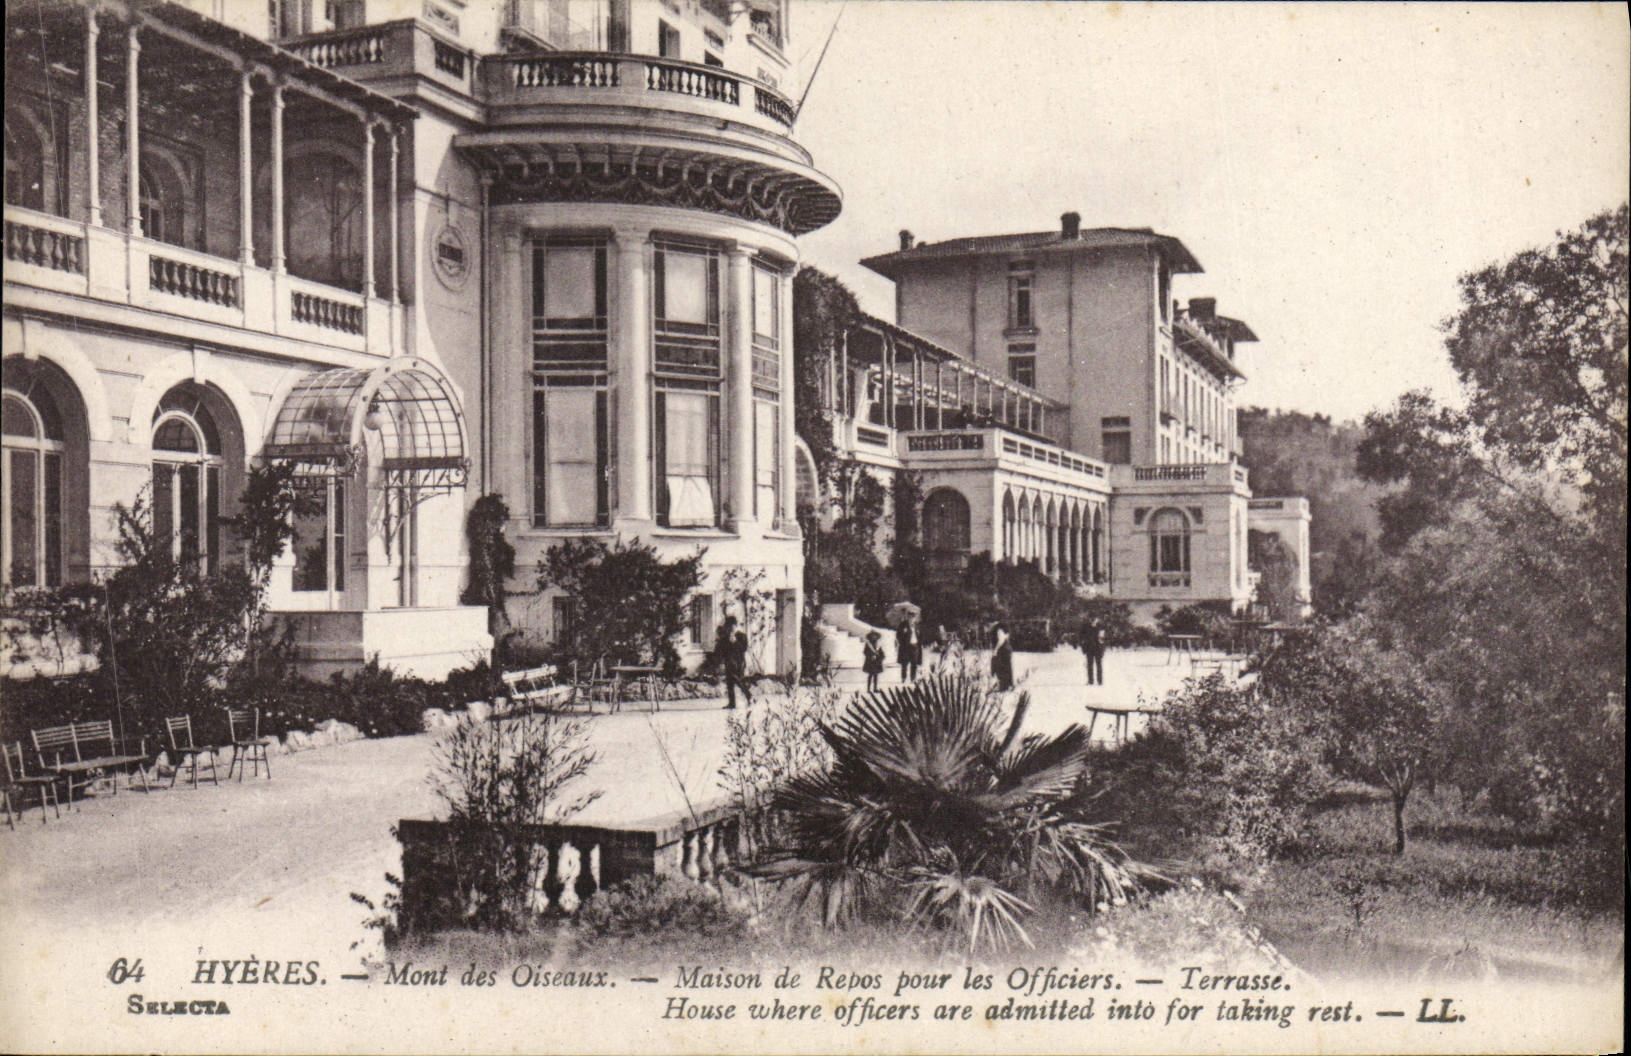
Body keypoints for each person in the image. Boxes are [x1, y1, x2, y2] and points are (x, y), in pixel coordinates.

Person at [895, 614, 922, 682]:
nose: (912, 619)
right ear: (908, 618)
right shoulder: (903, 625)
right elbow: (898, 635)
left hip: (915, 646)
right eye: (910, 618)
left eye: (913, 618)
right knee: (905, 664)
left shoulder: (917, 626)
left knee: (914, 663)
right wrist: (903, 635)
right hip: (906, 647)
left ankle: (912, 678)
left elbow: (920, 635)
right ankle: (903, 678)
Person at [990, 621, 1014, 691]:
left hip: (1003, 650)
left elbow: (1001, 640)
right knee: (1006, 667)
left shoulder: (998, 629)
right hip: (1006, 649)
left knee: (1001, 667)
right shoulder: (1003, 627)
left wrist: (995, 650)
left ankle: (1003, 686)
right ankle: (1006, 685)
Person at [1081, 617, 1105, 686]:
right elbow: (1083, 639)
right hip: (1089, 649)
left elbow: (1102, 640)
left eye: (1095, 620)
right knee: (1089, 665)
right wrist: (1084, 648)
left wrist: (1102, 649)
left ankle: (1100, 681)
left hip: (1098, 649)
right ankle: (1090, 681)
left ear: (1097, 620)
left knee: (1099, 665)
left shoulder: (1100, 628)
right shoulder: (1086, 628)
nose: (1093, 621)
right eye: (1092, 620)